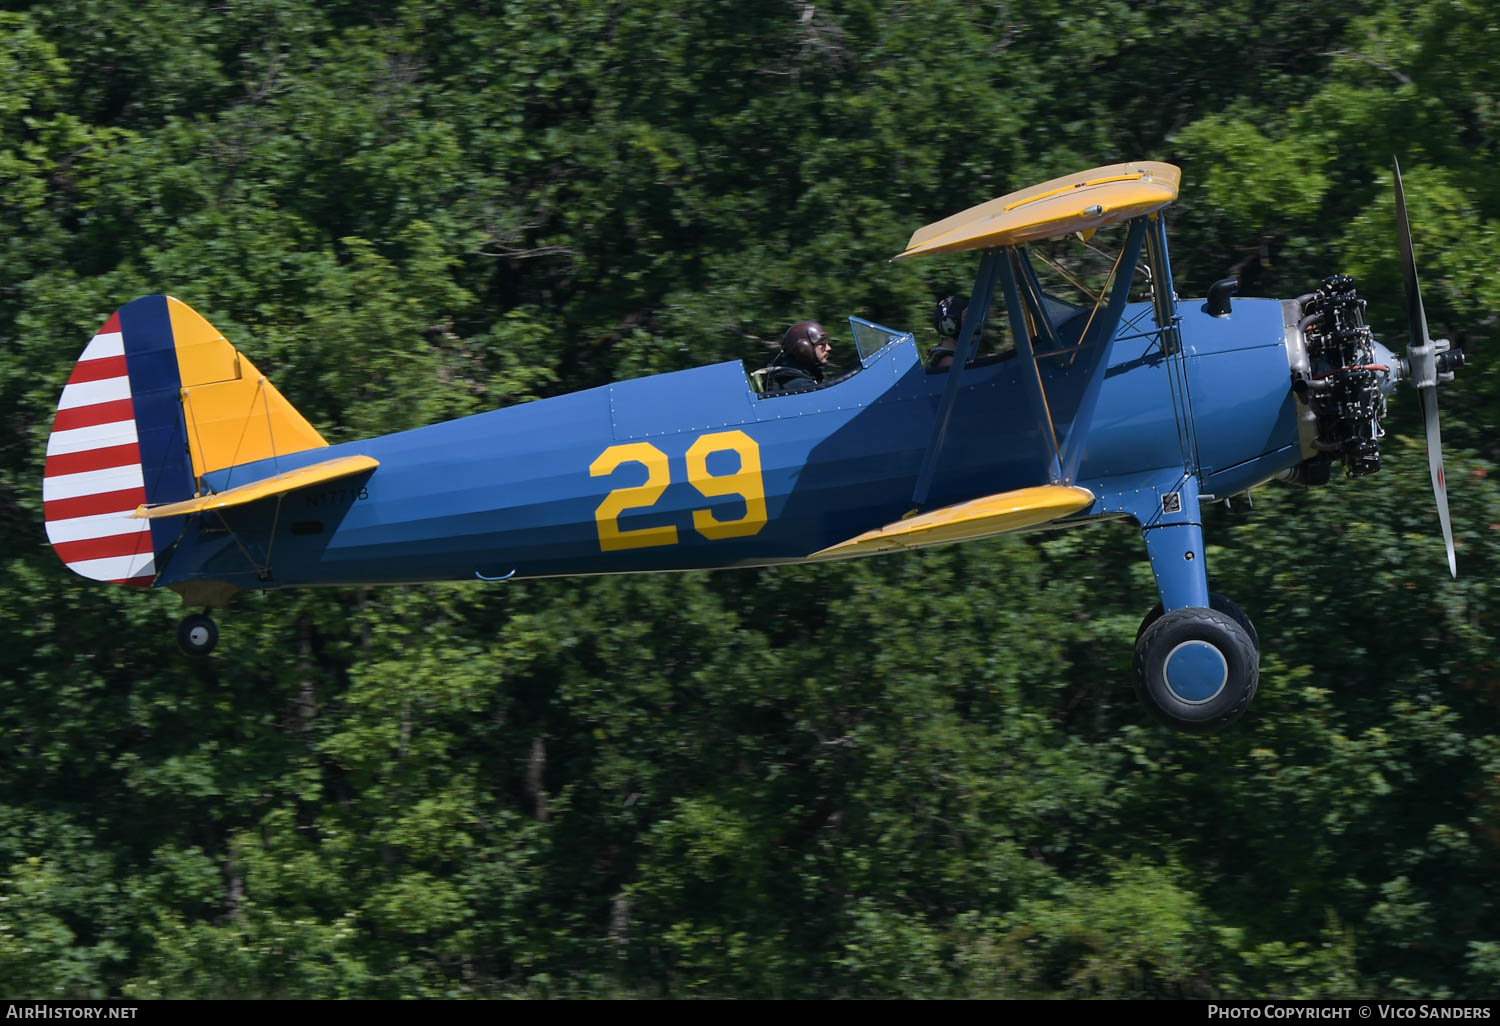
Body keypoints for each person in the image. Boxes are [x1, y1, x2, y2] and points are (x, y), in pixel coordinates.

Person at [764, 320, 834, 393]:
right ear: (804, 348)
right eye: (822, 344)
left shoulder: (804, 374)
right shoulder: (798, 384)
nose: (828, 348)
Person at [927, 294, 971, 371]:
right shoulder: (948, 361)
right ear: (948, 325)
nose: (975, 324)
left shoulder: (952, 357)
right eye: (967, 318)